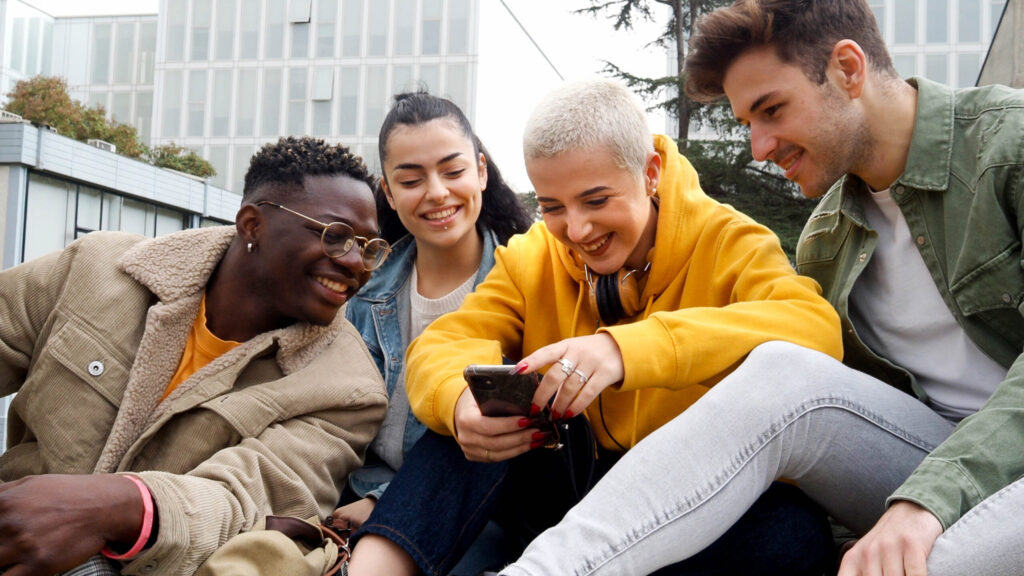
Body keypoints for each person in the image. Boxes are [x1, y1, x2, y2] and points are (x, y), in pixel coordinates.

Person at [496, 1, 1024, 575]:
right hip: (931, 469)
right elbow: (851, 418)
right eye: (749, 123)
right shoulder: (828, 238)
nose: (760, 147)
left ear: (848, 69)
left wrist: (929, 502)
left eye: (772, 110)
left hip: (970, 481)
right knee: (783, 370)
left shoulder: (1008, 146)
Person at [347, 78, 846, 576]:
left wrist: (625, 351)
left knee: (792, 533)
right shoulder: (533, 254)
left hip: (701, 501)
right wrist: (458, 405)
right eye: (553, 207)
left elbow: (814, 330)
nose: (577, 231)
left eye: (597, 200)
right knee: (477, 407)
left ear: (650, 173)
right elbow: (444, 342)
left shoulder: (730, 241)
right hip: (571, 491)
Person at [0, 136, 389, 575]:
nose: (357, 263)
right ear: (252, 225)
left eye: (369, 247)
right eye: (335, 237)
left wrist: (118, 507)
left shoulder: (348, 387)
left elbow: (244, 500)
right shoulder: (95, 268)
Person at [333, 91, 533, 573]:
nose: (437, 193)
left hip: (483, 519)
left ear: (481, 171)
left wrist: (387, 503)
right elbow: (332, 423)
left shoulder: (529, 284)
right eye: (411, 179)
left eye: (453, 170)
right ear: (388, 191)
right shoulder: (359, 294)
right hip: (346, 506)